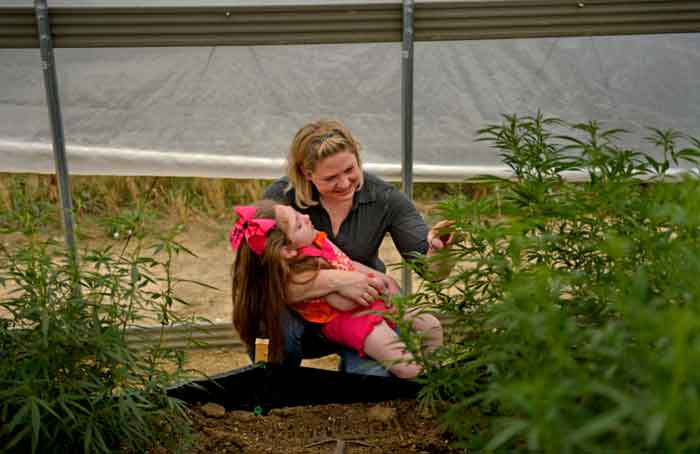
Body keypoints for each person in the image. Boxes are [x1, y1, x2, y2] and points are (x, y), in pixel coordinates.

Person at [262, 119, 457, 372]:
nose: (344, 183)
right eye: (330, 177)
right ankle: (275, 393)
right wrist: (339, 282)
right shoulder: (279, 203)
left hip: (361, 310)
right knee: (281, 333)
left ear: (357, 158)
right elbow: (261, 278)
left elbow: (431, 270)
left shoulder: (385, 198)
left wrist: (441, 251)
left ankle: (421, 381)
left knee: (374, 382)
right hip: (299, 312)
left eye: (350, 170)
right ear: (307, 174)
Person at [230, 200, 443, 379]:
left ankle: (436, 370)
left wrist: (376, 278)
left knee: (431, 325)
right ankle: (270, 378)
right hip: (357, 319)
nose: (305, 216)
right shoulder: (301, 265)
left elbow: (345, 262)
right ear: (286, 250)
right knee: (402, 365)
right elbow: (344, 303)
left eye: (297, 213)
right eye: (298, 225)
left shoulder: (315, 241)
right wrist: (355, 284)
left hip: (372, 301)